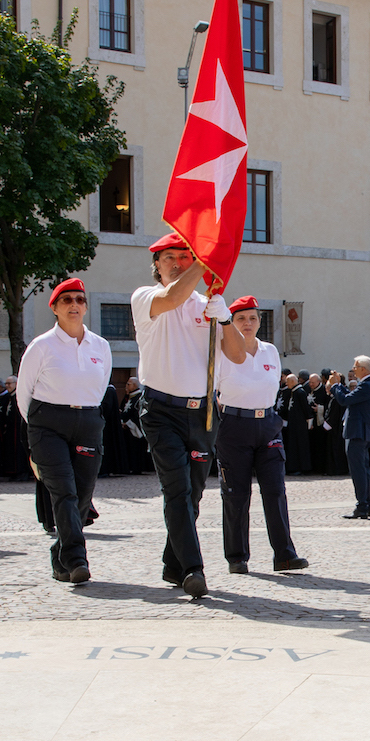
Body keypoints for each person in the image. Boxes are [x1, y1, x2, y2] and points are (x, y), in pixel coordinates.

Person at [131, 232, 234, 600]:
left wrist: (224, 318)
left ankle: (173, 563)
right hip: (162, 411)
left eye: (185, 257)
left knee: (192, 495)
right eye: (169, 257)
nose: (177, 263)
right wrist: (205, 262)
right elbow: (172, 297)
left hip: (203, 411)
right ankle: (194, 569)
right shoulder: (145, 297)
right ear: (156, 265)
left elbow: (235, 354)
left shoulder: (206, 302)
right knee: (176, 489)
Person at [16, 278, 112, 584]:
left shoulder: (101, 346)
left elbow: (100, 387)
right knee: (64, 492)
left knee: (83, 495)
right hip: (48, 425)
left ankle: (60, 554)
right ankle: (75, 559)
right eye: (67, 300)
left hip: (88, 422)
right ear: (55, 308)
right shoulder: (41, 346)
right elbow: (24, 394)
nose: (74, 305)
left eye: (80, 300)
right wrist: (38, 428)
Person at [214, 294, 307, 573]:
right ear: (231, 322)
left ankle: (284, 555)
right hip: (234, 425)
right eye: (240, 318)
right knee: (236, 494)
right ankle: (237, 557)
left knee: (276, 490)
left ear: (259, 321)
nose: (247, 323)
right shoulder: (221, 350)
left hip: (267, 425)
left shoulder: (269, 351)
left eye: (252, 318)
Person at [329, 355, 370, 518]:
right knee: (363, 470)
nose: (353, 369)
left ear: (363, 369)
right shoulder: (369, 384)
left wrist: (334, 386)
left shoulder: (367, 385)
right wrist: (338, 385)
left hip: (358, 432)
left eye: (356, 367)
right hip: (362, 431)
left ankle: (363, 506)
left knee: (358, 471)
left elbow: (344, 400)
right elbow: (351, 398)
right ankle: (366, 504)